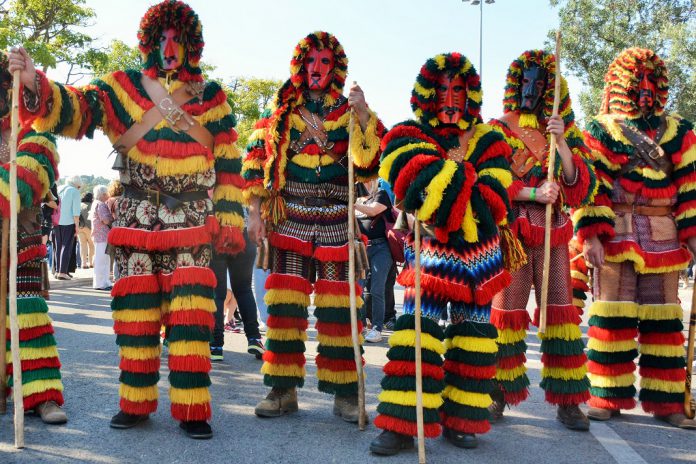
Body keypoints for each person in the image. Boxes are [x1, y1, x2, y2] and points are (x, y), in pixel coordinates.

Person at [9, 0, 245, 439]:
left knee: (190, 317)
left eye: (177, 38)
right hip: (135, 218)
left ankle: (193, 407)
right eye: (162, 38)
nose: (169, 45)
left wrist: (230, 221)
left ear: (191, 44)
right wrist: (33, 81)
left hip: (192, 222)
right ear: (149, 43)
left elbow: (230, 162)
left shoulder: (212, 96)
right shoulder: (121, 87)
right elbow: (77, 109)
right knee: (136, 315)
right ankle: (135, 403)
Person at [370, 52, 517, 454]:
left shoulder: (490, 139)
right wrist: (454, 191)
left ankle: (462, 419)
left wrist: (446, 189)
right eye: (443, 89)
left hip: (480, 259)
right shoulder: (406, 136)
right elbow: (410, 189)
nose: (451, 98)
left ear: (471, 94)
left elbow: (494, 201)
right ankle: (402, 423)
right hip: (431, 256)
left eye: (459, 89)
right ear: (427, 94)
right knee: (417, 335)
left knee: (474, 337)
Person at [243, 31, 384, 422]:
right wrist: (255, 213)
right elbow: (256, 163)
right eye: (312, 61)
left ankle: (345, 394)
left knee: (341, 310)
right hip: (290, 220)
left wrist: (363, 113)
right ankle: (281, 389)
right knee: (285, 308)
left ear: (335, 67)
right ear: (301, 65)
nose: (317, 68)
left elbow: (370, 164)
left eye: (325, 62)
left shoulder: (349, 111)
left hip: (338, 220)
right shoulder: (282, 112)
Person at [573, 47, 696, 430]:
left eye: (650, 80)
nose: (644, 88)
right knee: (613, 316)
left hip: (664, 235)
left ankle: (667, 401)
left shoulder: (680, 131)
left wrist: (693, 237)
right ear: (620, 85)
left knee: (663, 321)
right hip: (616, 234)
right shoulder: (600, 129)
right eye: (636, 80)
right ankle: (607, 394)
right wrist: (591, 235)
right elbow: (591, 187)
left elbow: (690, 187)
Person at [488, 50, 598, 430]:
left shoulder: (565, 128)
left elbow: (578, 184)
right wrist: (532, 194)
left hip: (554, 232)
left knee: (560, 314)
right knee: (507, 314)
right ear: (516, 84)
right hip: (514, 232)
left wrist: (562, 142)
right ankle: (497, 392)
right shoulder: (499, 128)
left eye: (539, 84)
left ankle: (568, 400)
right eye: (526, 82)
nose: (531, 90)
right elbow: (490, 180)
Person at [0, 51, 66, 424]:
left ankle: (42, 395)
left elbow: (25, 182)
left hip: (22, 241)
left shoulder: (36, 133)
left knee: (28, 318)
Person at [210, 210, 265, 362]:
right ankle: (254, 338)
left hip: (216, 230)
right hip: (243, 229)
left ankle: (216, 345)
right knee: (244, 289)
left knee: (217, 292)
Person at [356, 179, 394, 343]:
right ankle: (361, 325)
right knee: (359, 288)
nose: (364, 183)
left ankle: (377, 328)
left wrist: (352, 205)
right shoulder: (358, 200)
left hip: (381, 248)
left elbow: (373, 211)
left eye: (367, 179)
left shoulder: (381, 195)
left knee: (377, 288)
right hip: (362, 248)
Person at [55, 175, 82, 280]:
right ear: (76, 184)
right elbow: (76, 211)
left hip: (57, 221)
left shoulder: (59, 188)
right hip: (69, 221)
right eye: (79, 186)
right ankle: (62, 272)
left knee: (58, 246)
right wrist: (77, 226)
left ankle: (58, 270)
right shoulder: (74, 191)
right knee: (66, 247)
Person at [90, 185, 112, 291]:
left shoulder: (95, 203)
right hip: (102, 235)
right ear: (103, 194)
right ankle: (100, 283)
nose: (108, 195)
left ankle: (104, 282)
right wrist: (113, 219)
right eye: (106, 193)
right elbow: (105, 220)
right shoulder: (101, 205)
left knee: (103, 260)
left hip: (99, 235)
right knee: (102, 260)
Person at [78, 191, 95, 269]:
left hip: (80, 227)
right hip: (89, 227)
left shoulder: (79, 205)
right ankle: (91, 263)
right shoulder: (92, 205)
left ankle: (83, 263)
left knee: (82, 245)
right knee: (91, 245)